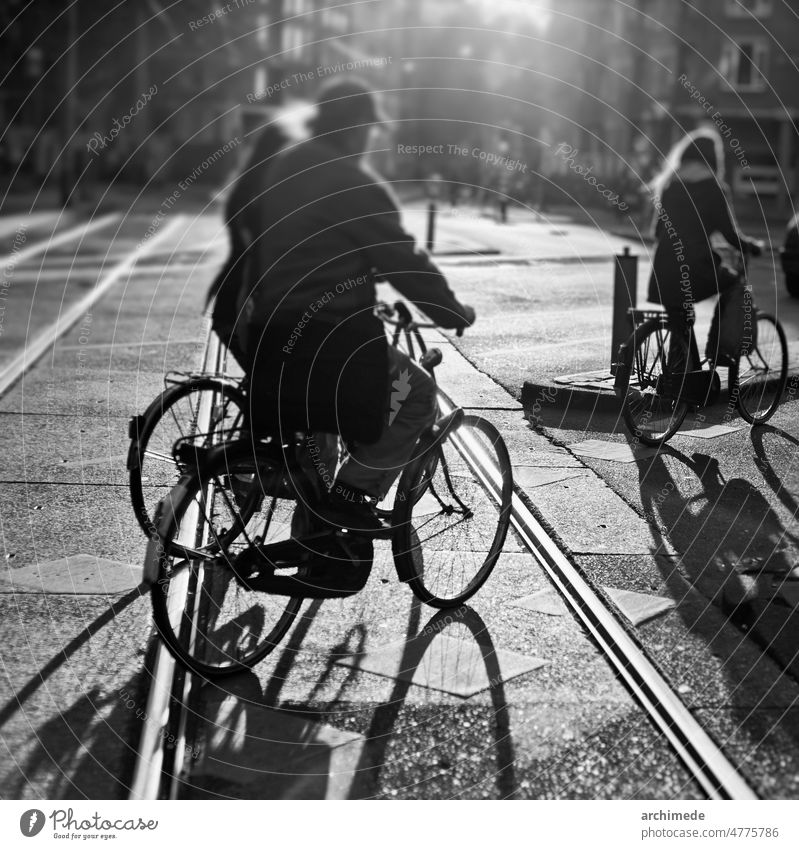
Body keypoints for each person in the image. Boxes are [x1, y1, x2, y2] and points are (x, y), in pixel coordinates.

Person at [238, 78, 475, 593]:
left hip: (272, 334)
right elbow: (399, 257)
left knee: (316, 431)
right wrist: (449, 309)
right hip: (334, 340)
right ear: (359, 128)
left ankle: (322, 540)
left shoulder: (284, 166)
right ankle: (353, 498)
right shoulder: (351, 182)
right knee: (415, 395)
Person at [647, 128, 762, 367]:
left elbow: (657, 232)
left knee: (681, 322)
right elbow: (730, 234)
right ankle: (717, 348)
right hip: (695, 268)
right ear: (713, 157)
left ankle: (678, 384)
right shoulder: (712, 187)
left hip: (663, 268)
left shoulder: (671, 184)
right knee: (732, 282)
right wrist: (751, 246)